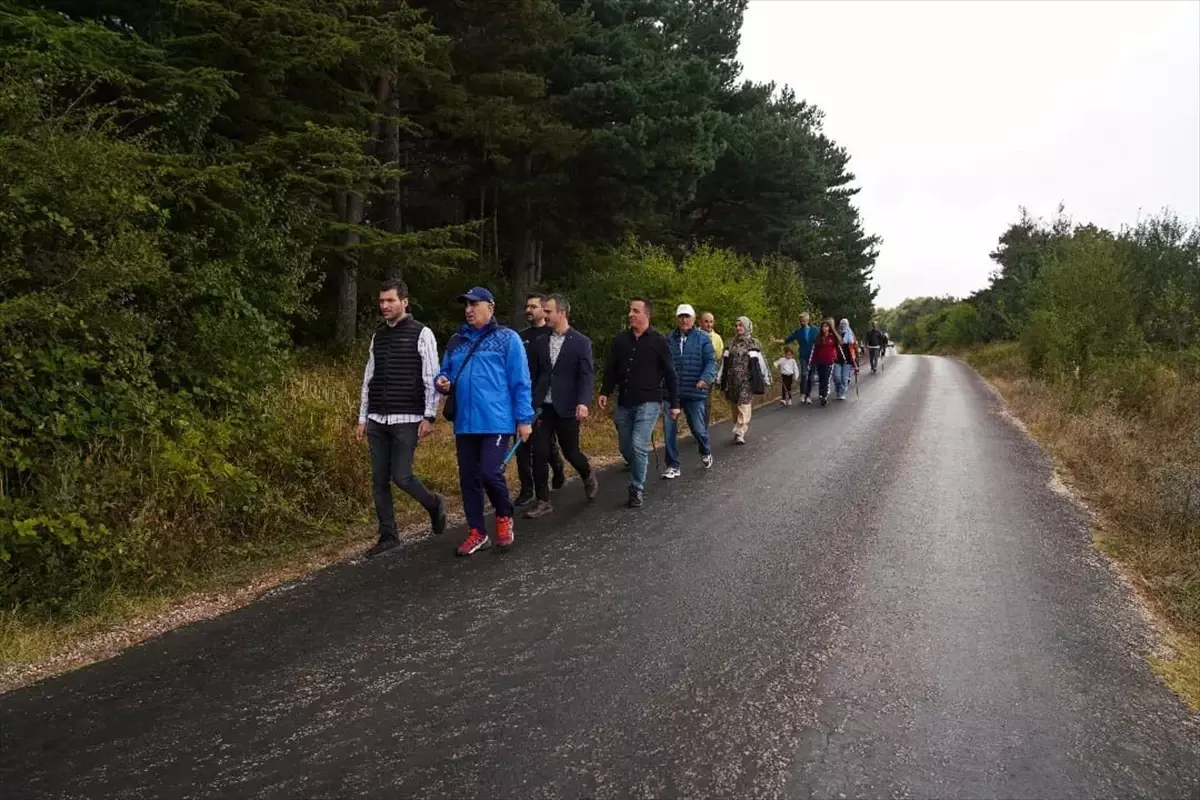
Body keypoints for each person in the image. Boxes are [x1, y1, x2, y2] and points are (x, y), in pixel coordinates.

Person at [436, 286, 534, 556]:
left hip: (496, 421)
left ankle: (504, 517)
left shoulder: (507, 339)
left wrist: (524, 419)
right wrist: (441, 382)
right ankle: (477, 532)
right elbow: (444, 372)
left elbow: (520, 381)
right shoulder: (456, 341)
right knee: (469, 478)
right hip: (465, 423)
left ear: (490, 307)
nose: (468, 309)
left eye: (474, 304)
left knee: (490, 472)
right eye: (465, 305)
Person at [355, 279, 447, 559]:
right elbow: (368, 377)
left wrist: (429, 416)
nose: (385, 306)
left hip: (407, 417)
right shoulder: (378, 336)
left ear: (405, 302)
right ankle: (388, 535)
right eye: (382, 301)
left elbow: (432, 375)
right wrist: (362, 417)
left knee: (402, 476)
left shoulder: (422, 333)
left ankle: (433, 504)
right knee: (379, 479)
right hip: (377, 419)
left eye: (390, 301)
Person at [599, 297, 679, 508]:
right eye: (630, 311)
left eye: (635, 311)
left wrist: (675, 403)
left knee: (638, 445)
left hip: (650, 401)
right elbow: (611, 368)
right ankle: (637, 465)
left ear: (646, 315)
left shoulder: (659, 342)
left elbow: (670, 373)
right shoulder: (620, 341)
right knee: (626, 447)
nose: (631, 314)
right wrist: (605, 391)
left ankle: (636, 488)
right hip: (624, 400)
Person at [524, 293, 599, 518]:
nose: (543, 315)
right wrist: (529, 403)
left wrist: (583, 402)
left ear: (562, 313)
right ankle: (543, 500)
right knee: (539, 452)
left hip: (567, 406)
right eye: (543, 311)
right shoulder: (539, 341)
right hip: (542, 407)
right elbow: (533, 373)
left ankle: (586, 473)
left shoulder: (581, 342)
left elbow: (586, 375)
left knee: (571, 452)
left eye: (548, 311)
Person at [515, 293, 565, 506]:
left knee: (542, 443)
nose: (529, 310)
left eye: (534, 306)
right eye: (527, 306)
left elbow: (550, 370)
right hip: (520, 396)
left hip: (542, 397)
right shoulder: (520, 336)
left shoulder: (550, 335)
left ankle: (557, 466)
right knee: (521, 444)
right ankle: (527, 489)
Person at [661, 303, 716, 479]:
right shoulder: (669, 339)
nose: (684, 320)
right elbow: (662, 364)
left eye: (687, 316)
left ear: (693, 319)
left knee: (698, 428)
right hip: (672, 393)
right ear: (677, 319)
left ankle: (705, 450)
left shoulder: (703, 338)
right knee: (669, 431)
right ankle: (673, 465)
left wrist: (704, 378)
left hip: (694, 390)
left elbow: (710, 361)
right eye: (681, 316)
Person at [720, 316, 768, 444]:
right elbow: (724, 363)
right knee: (735, 407)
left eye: (741, 325)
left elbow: (761, 363)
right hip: (732, 380)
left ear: (747, 326)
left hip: (747, 380)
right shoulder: (730, 343)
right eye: (736, 326)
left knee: (744, 405)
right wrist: (720, 378)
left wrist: (765, 377)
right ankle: (738, 427)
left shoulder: (753, 343)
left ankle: (740, 431)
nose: (738, 328)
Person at [774, 312, 819, 404]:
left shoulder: (815, 330)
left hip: (813, 356)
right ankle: (803, 393)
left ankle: (808, 395)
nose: (802, 322)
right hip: (803, 356)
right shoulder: (798, 332)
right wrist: (775, 340)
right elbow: (786, 340)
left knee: (810, 376)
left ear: (807, 320)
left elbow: (821, 340)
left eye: (803, 320)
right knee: (804, 374)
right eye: (800, 321)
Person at [807, 318, 850, 407]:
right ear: (821, 328)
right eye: (823, 327)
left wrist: (844, 358)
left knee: (826, 378)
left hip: (829, 361)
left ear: (829, 328)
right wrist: (810, 361)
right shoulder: (818, 338)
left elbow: (839, 349)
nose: (825, 328)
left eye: (826, 326)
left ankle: (824, 396)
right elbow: (814, 351)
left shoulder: (833, 338)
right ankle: (821, 393)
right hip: (819, 361)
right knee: (821, 378)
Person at [699, 311, 724, 426]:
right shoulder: (694, 335)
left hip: (709, 375)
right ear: (700, 322)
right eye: (706, 322)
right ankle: (696, 426)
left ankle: (703, 427)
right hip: (695, 373)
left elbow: (718, 357)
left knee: (706, 401)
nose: (709, 325)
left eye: (711, 322)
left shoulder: (717, 338)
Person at [835, 318, 859, 399]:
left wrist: (856, 363)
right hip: (837, 360)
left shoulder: (851, 335)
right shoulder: (837, 334)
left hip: (848, 360)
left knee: (844, 379)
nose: (843, 325)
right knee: (837, 377)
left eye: (844, 324)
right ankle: (839, 390)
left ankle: (842, 393)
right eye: (842, 323)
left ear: (847, 325)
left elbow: (855, 350)